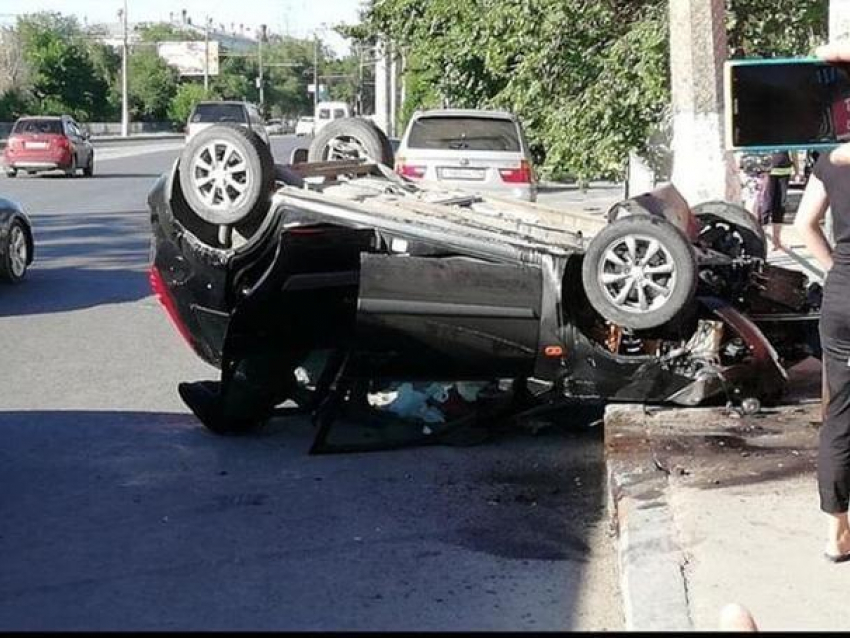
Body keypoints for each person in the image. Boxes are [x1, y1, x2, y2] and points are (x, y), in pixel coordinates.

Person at [794, 41, 850, 564]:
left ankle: (836, 533)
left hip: (842, 302)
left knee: (840, 414)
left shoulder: (829, 161)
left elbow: (801, 227)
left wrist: (837, 269)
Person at [762, 150, 793, 250]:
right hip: (768, 169)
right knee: (766, 205)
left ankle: (777, 240)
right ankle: (761, 241)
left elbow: (793, 148)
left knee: (780, 205)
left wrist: (796, 169)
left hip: (785, 169)